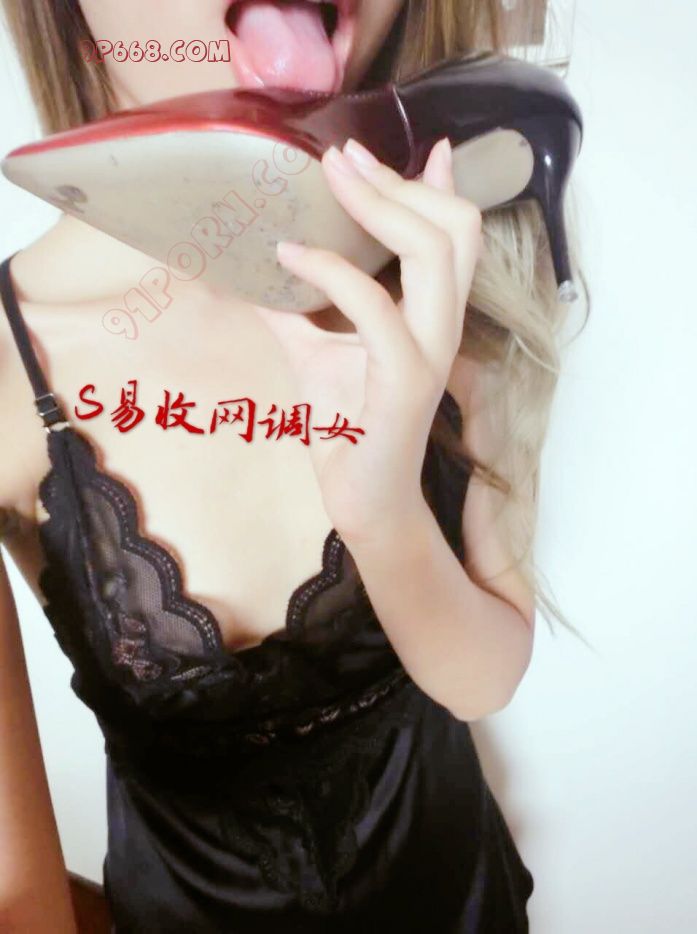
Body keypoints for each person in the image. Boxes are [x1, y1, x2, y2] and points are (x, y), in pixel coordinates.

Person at [0, 1, 586, 930]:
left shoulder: (463, 251)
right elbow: (20, 900)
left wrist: (385, 513)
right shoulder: (9, 373)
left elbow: (482, 678)